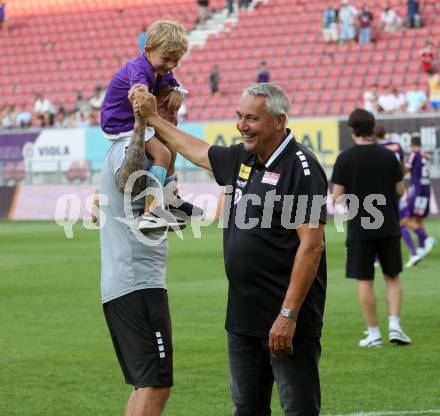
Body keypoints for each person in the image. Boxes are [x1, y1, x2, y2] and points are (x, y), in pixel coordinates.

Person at [129, 82, 328, 415]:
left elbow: (312, 246)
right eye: (239, 116)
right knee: (246, 409)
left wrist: (288, 315)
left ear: (279, 121)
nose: (241, 125)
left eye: (252, 118)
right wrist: (152, 118)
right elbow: (198, 151)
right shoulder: (244, 156)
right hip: (242, 317)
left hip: (285, 319)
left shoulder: (300, 167)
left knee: (298, 409)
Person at [98, 86, 174, 416]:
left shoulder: (160, 156)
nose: (173, 118)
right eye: (166, 110)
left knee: (147, 383)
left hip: (138, 283)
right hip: (136, 284)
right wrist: (143, 125)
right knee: (155, 384)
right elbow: (124, 178)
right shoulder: (130, 147)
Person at [100, 19, 200, 233]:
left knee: (171, 148)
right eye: (166, 59)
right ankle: (150, 213)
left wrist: (175, 91)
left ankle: (170, 199)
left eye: (176, 61)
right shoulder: (139, 68)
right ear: (148, 50)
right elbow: (140, 92)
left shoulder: (162, 69)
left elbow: (173, 83)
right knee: (162, 154)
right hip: (121, 123)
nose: (171, 66)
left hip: (135, 121)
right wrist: (142, 94)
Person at [331, 109, 411, 348]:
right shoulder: (389, 157)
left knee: (365, 280)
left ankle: (374, 333)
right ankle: (395, 326)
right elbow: (400, 191)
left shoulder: (345, 158)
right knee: (393, 277)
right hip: (388, 225)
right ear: (372, 127)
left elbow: (336, 196)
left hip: (360, 229)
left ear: (352, 130)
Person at [402, 133, 437, 258]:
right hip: (426, 189)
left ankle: (426, 238)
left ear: (411, 145)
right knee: (418, 218)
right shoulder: (425, 155)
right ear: (421, 144)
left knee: (405, 219)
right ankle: (423, 247)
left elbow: (405, 170)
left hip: (417, 190)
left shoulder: (413, 154)